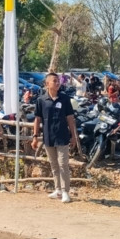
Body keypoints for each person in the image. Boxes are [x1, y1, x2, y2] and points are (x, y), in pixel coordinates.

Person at [32, 73, 80, 203]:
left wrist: (73, 136)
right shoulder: (41, 100)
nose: (58, 83)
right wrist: (35, 136)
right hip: (48, 137)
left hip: (63, 136)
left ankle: (65, 192)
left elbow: (70, 118)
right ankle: (57, 189)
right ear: (47, 84)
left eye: (58, 81)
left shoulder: (65, 99)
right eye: (54, 81)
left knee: (63, 164)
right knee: (54, 165)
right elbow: (37, 119)